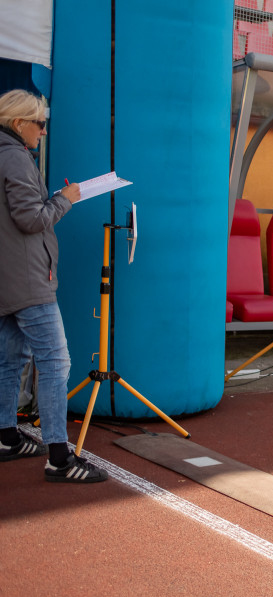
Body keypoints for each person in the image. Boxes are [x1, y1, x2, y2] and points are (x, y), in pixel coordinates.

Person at [0, 89, 107, 483]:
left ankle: (7, 436)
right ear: (19, 124)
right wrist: (65, 199)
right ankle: (60, 458)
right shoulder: (14, 157)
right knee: (55, 362)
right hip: (27, 279)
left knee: (10, 359)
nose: (43, 132)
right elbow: (30, 219)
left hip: (7, 277)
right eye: (40, 124)